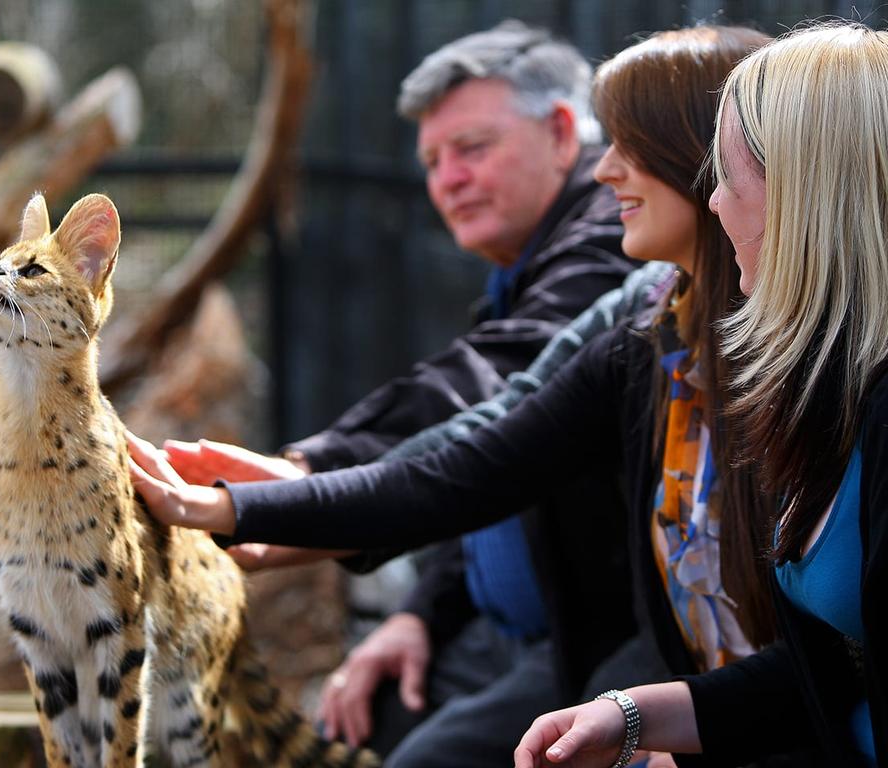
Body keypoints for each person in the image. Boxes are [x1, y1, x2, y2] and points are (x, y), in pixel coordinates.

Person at [129, 24, 795, 768]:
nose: (609, 171)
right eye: (433, 160)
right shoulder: (651, 312)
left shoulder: (645, 274)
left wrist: (282, 489)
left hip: (682, 683)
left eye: (471, 148)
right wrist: (245, 506)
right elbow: (479, 458)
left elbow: (476, 405)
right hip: (650, 680)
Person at [510, 21, 888, 768]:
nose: (714, 201)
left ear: (803, 189)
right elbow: (828, 674)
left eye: (727, 173)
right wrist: (633, 715)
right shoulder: (827, 383)